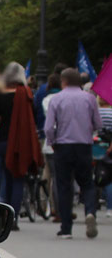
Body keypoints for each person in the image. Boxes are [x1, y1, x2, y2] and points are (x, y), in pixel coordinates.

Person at [45, 68, 102, 238]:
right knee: (87, 183)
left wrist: (52, 141)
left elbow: (48, 127)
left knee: (64, 185)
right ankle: (90, 211)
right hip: (84, 145)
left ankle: (66, 227)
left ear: (64, 81)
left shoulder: (57, 99)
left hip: (63, 146)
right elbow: (98, 124)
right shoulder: (90, 99)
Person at [0, 62, 42, 229]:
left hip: (2, 141)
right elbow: (33, 119)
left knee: (4, 180)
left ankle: (3, 215)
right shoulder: (26, 94)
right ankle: (13, 217)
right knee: (18, 180)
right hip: (20, 142)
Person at [40, 73, 63, 220]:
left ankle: (43, 204)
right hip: (60, 142)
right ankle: (58, 208)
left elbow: (47, 125)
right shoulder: (62, 99)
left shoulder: (46, 100)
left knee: (47, 174)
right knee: (58, 177)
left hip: (48, 143)